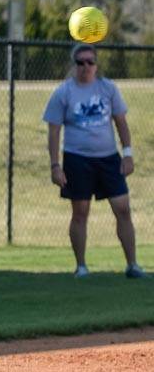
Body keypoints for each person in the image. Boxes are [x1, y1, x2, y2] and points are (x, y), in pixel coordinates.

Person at [43, 43, 146, 279]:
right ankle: (81, 267)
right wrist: (55, 165)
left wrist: (127, 153)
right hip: (77, 160)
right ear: (74, 65)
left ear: (96, 65)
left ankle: (132, 265)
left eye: (90, 62)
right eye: (80, 62)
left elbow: (121, 122)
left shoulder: (108, 88)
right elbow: (54, 131)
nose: (85, 67)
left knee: (123, 209)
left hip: (109, 159)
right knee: (80, 213)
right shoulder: (64, 92)